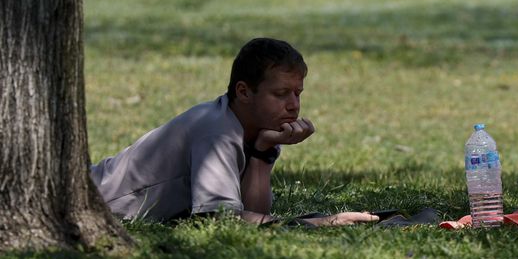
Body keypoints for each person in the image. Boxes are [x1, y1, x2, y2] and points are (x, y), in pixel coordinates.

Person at [90, 38, 378, 227]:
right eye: (280, 94)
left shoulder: (251, 128)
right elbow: (221, 219)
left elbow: (252, 210)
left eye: (297, 93)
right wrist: (321, 222)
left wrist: (262, 152)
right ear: (244, 92)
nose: (293, 105)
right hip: (94, 201)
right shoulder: (217, 133)